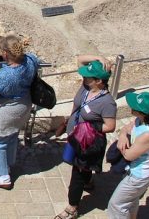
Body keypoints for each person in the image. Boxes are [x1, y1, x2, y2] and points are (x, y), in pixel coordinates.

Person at [53, 56, 117, 219]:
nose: (84, 77)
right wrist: (99, 58)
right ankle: (88, 181)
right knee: (80, 167)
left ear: (99, 81)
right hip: (76, 136)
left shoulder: (107, 102)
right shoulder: (86, 87)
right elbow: (80, 60)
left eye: (88, 76)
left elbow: (110, 126)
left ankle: (72, 208)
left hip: (87, 142)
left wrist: (87, 127)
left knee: (77, 175)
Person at [0, 34, 38, 189]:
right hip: (24, 105)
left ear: (5, 54)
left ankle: (2, 176)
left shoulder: (5, 76)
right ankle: (7, 164)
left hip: (7, 110)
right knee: (12, 135)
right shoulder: (30, 60)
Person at [107, 92, 149, 219]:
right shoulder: (141, 120)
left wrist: (120, 146)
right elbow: (126, 129)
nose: (130, 106)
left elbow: (128, 156)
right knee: (131, 200)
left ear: (141, 112)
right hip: (135, 170)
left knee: (117, 204)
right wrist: (122, 137)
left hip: (139, 175)